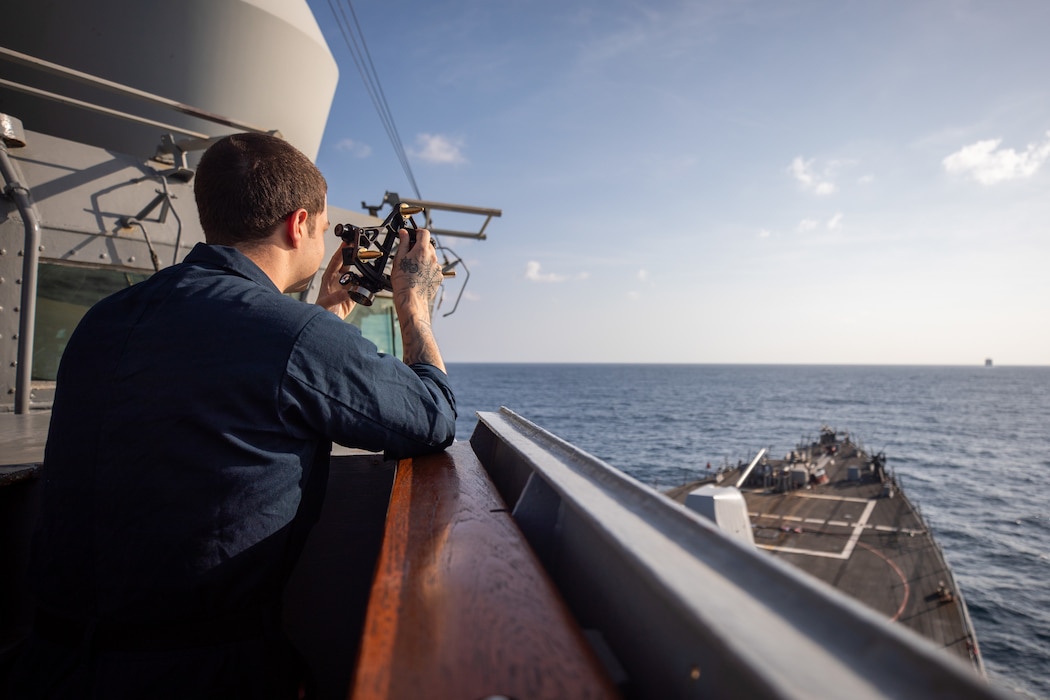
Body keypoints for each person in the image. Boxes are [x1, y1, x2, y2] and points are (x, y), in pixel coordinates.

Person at [8, 132, 456, 698]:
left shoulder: (106, 318)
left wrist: (329, 311)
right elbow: (433, 415)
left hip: (51, 666)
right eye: (322, 227)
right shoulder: (291, 337)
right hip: (196, 675)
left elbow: (244, 368)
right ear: (299, 225)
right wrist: (414, 301)